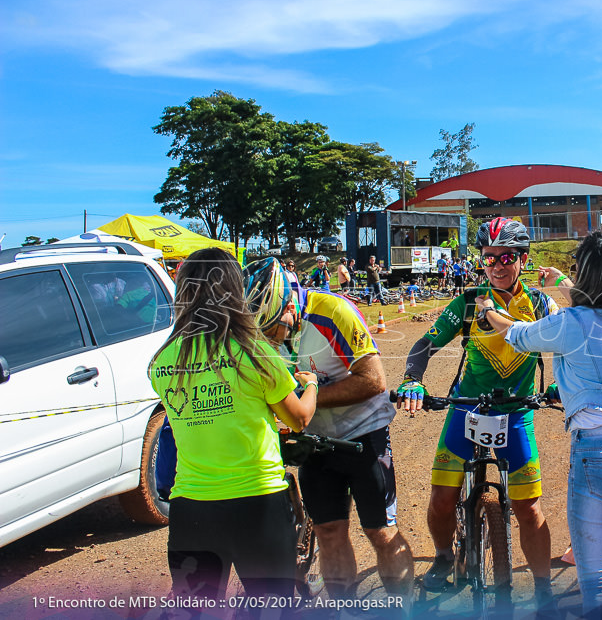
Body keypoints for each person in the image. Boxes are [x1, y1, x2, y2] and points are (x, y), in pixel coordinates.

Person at [476, 230, 602, 620]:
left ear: (586, 275)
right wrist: (565, 285)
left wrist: (488, 312)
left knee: (597, 582)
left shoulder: (572, 323)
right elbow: (592, 309)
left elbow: (519, 335)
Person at [394, 217, 558, 612]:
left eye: (506, 257)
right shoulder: (468, 301)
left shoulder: (539, 303)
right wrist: (412, 379)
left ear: (523, 258)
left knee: (529, 508)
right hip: (466, 408)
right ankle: (444, 556)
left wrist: (561, 388)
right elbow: (424, 344)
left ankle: (543, 589)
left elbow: (571, 346)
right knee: (442, 498)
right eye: (488, 259)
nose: (497, 266)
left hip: (517, 412)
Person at [147, 248, 320, 603]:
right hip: (257, 504)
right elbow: (299, 419)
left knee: (195, 610)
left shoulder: (162, 360)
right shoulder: (254, 351)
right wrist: (313, 382)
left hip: (191, 507)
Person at [242, 257, 414, 601]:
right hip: (315, 440)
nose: (274, 339)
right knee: (328, 531)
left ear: (291, 305)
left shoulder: (333, 311)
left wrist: (310, 394)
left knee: (380, 531)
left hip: (364, 433)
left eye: (277, 326)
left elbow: (374, 381)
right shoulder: (262, 324)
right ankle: (342, 608)